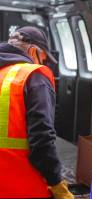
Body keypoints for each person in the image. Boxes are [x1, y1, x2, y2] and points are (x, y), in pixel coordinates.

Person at [0, 26, 74, 198]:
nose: (43, 64)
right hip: (19, 187)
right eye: (43, 59)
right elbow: (41, 139)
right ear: (33, 51)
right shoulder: (34, 75)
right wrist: (56, 182)